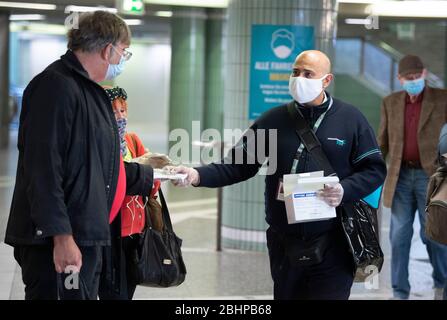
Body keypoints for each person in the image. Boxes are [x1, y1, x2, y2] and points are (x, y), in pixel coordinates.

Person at [169, 50, 387, 300]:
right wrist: (196, 175)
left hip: (335, 238)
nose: (299, 78)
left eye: (308, 74)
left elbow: (374, 169)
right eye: (295, 72)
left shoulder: (351, 119)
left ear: (326, 80)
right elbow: (238, 165)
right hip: (285, 241)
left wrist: (344, 189)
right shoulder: (274, 119)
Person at [5, 11, 154, 300]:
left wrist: (148, 175)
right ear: (107, 48)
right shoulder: (55, 86)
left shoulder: (89, 91)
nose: (123, 59)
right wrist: (62, 237)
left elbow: (95, 165)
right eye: (124, 52)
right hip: (57, 241)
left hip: (85, 236)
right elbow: (44, 169)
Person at [377, 54, 447, 300]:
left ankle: (442, 284)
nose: (414, 81)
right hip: (401, 177)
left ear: (425, 74)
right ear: (400, 79)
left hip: (434, 179)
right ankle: (399, 291)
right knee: (398, 237)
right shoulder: (390, 102)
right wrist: (369, 169)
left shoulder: (443, 99)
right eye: (409, 78)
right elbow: (382, 142)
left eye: (417, 76)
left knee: (435, 236)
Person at [98, 86, 169, 300]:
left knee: (129, 286)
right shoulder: (98, 143)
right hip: (110, 229)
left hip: (136, 229)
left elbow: (150, 186)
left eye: (122, 110)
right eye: (113, 111)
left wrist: (160, 172)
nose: (120, 116)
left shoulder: (132, 140)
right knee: (112, 289)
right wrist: (140, 175)